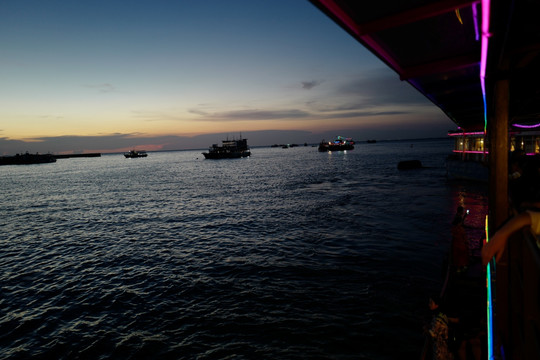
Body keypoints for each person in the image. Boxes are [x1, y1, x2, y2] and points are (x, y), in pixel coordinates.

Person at [427, 295, 454, 360]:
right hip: (447, 346)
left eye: (431, 303)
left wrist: (426, 330)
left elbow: (433, 334)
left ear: (436, 305)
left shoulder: (437, 319)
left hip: (440, 348)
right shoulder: (443, 315)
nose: (429, 304)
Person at [451, 207, 469, 273]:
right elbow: (464, 238)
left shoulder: (454, 229)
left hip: (456, 245)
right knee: (462, 257)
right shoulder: (461, 230)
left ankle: (458, 268)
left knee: (457, 257)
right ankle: (462, 268)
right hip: (460, 245)